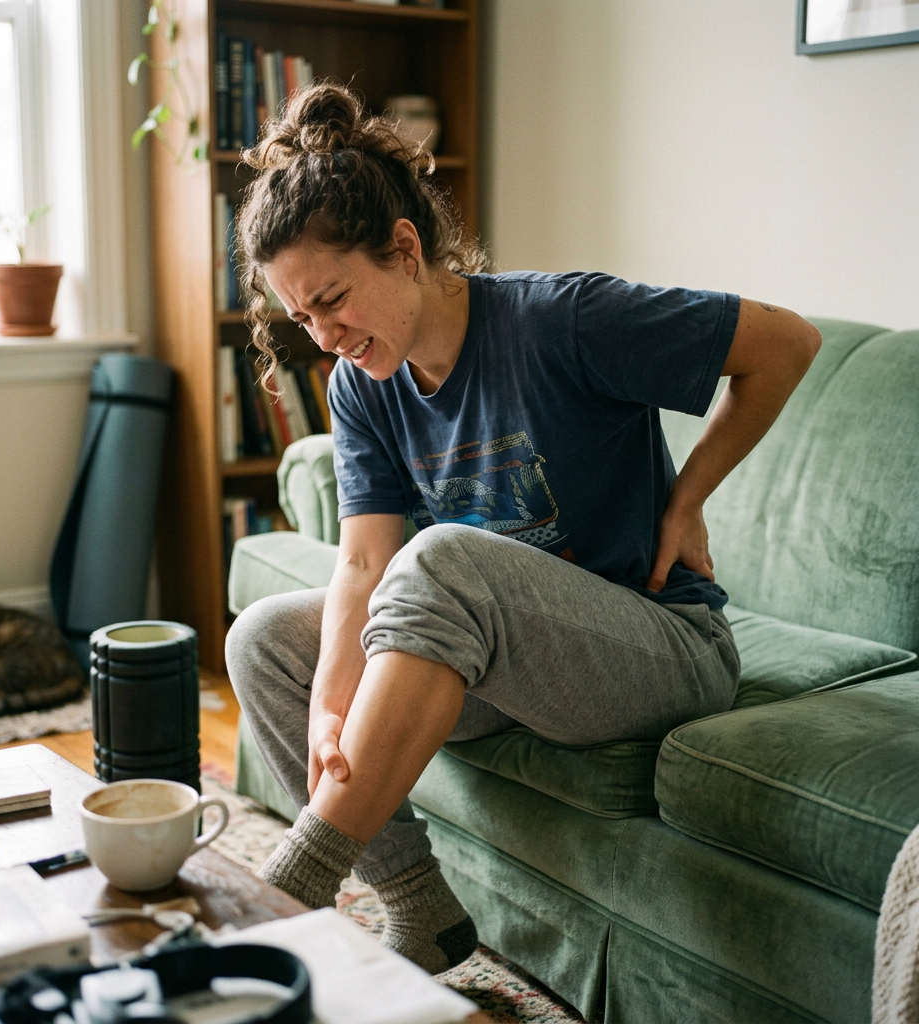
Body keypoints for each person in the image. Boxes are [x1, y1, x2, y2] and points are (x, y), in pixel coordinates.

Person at [226, 83, 821, 974]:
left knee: (445, 559)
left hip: (661, 646)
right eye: (303, 317)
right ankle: (419, 908)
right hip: (495, 658)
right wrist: (327, 707)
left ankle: (289, 889)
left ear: (405, 247)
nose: (325, 336)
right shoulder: (362, 386)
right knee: (266, 639)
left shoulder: (562, 319)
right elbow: (361, 562)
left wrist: (689, 497)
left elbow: (787, 345)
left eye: (335, 299)